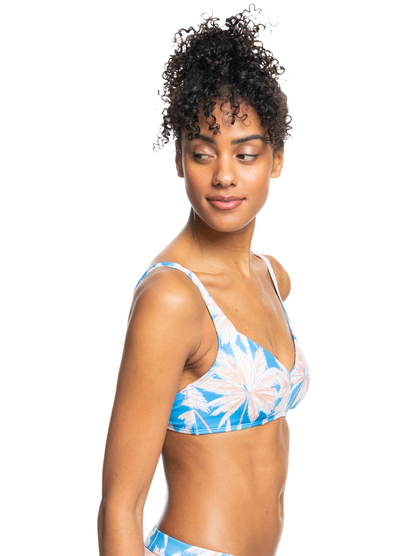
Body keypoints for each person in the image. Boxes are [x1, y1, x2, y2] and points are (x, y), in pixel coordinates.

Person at [98, 7, 310, 556]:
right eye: (202, 153)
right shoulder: (172, 300)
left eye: (246, 154)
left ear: (276, 160)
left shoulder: (272, 277)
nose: (224, 175)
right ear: (179, 159)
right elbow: (120, 505)